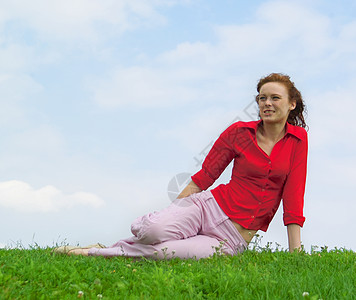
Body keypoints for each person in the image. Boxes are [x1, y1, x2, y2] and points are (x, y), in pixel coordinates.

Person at [56, 73, 308, 259]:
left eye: (275, 98)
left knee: (161, 253)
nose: (267, 103)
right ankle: (144, 231)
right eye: (262, 98)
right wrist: (172, 214)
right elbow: (204, 177)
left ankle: (94, 252)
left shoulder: (298, 141)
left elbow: (293, 198)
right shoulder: (238, 132)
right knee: (154, 232)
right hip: (207, 207)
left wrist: (295, 254)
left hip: (230, 239)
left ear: (291, 104)